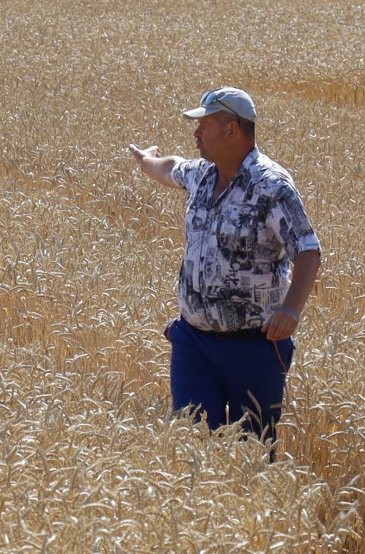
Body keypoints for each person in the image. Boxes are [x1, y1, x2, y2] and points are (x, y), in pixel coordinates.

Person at [127, 87, 322, 446]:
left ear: (232, 129)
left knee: (252, 451)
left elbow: (308, 250)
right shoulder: (202, 174)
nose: (196, 134)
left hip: (253, 347)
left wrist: (291, 309)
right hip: (193, 341)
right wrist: (146, 160)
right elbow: (172, 168)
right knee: (190, 444)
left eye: (204, 125)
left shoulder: (272, 187)